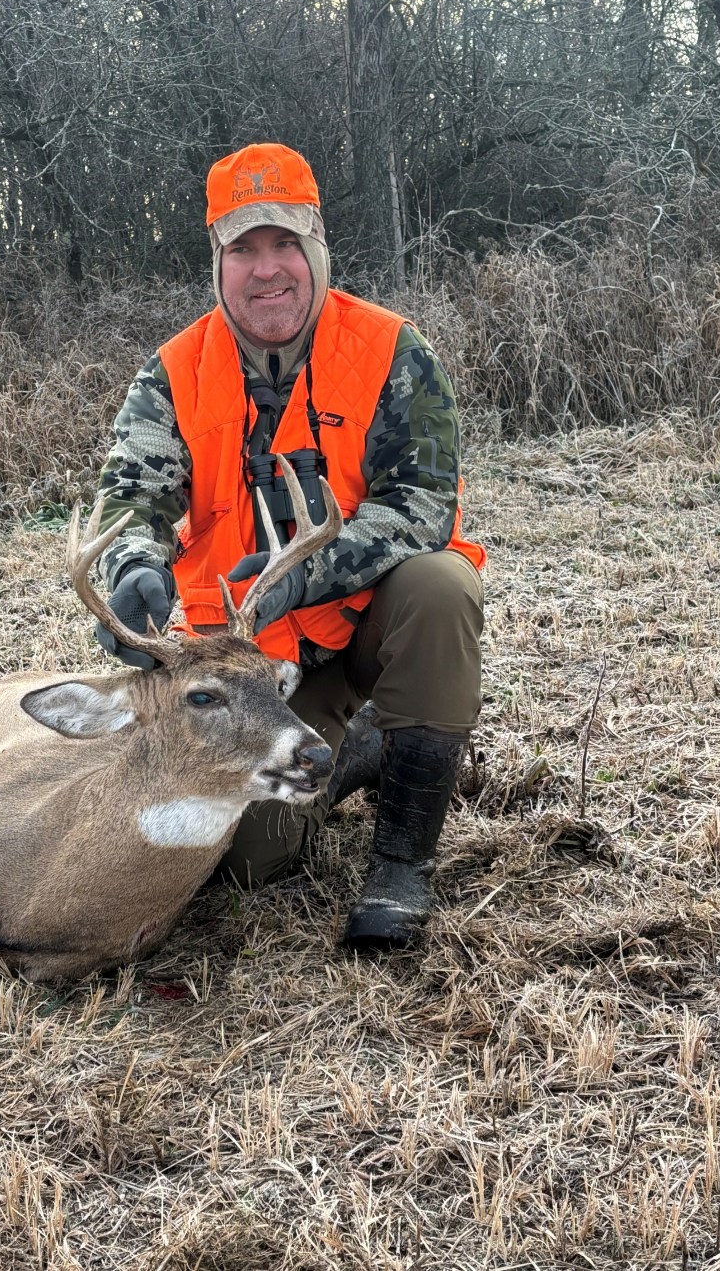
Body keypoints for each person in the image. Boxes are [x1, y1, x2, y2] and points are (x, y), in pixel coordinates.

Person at [94, 143, 485, 951]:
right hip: (256, 668)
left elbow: (423, 504)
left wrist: (306, 572)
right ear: (218, 260)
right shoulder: (171, 373)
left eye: (284, 244)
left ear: (315, 249)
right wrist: (132, 566)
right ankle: (361, 750)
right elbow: (129, 500)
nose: (267, 270)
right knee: (245, 860)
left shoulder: (392, 352)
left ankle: (401, 865)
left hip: (368, 631)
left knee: (442, 585)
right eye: (244, 248)